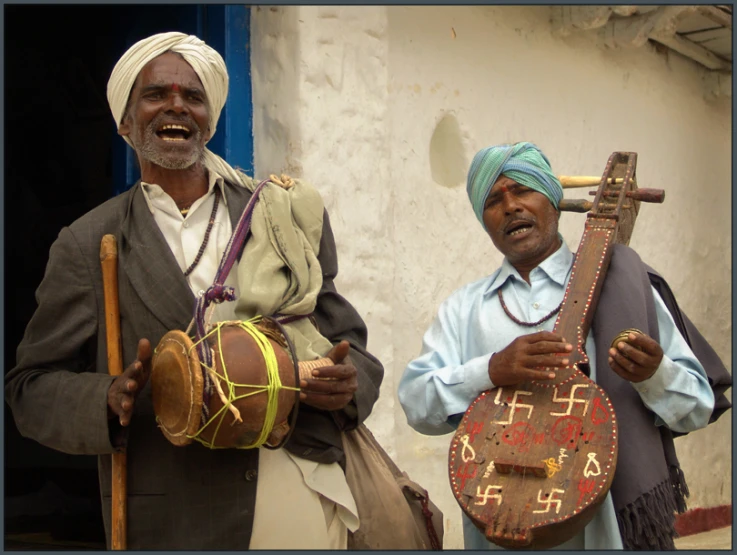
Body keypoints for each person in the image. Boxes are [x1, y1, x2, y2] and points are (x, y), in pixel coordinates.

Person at [5, 32, 384, 550]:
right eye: (156, 95)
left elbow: (355, 351)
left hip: (293, 486)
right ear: (125, 121)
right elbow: (29, 389)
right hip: (175, 515)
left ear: (210, 118)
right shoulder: (89, 243)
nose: (176, 106)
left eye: (193, 96)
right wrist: (108, 396)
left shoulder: (280, 214)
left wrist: (345, 385)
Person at [398, 142, 731, 550]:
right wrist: (490, 371)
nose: (511, 207)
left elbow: (698, 407)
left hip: (617, 534)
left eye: (523, 190)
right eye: (493, 200)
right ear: (484, 221)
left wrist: (654, 375)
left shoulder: (625, 285)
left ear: (554, 200)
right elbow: (415, 401)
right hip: (504, 530)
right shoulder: (464, 309)